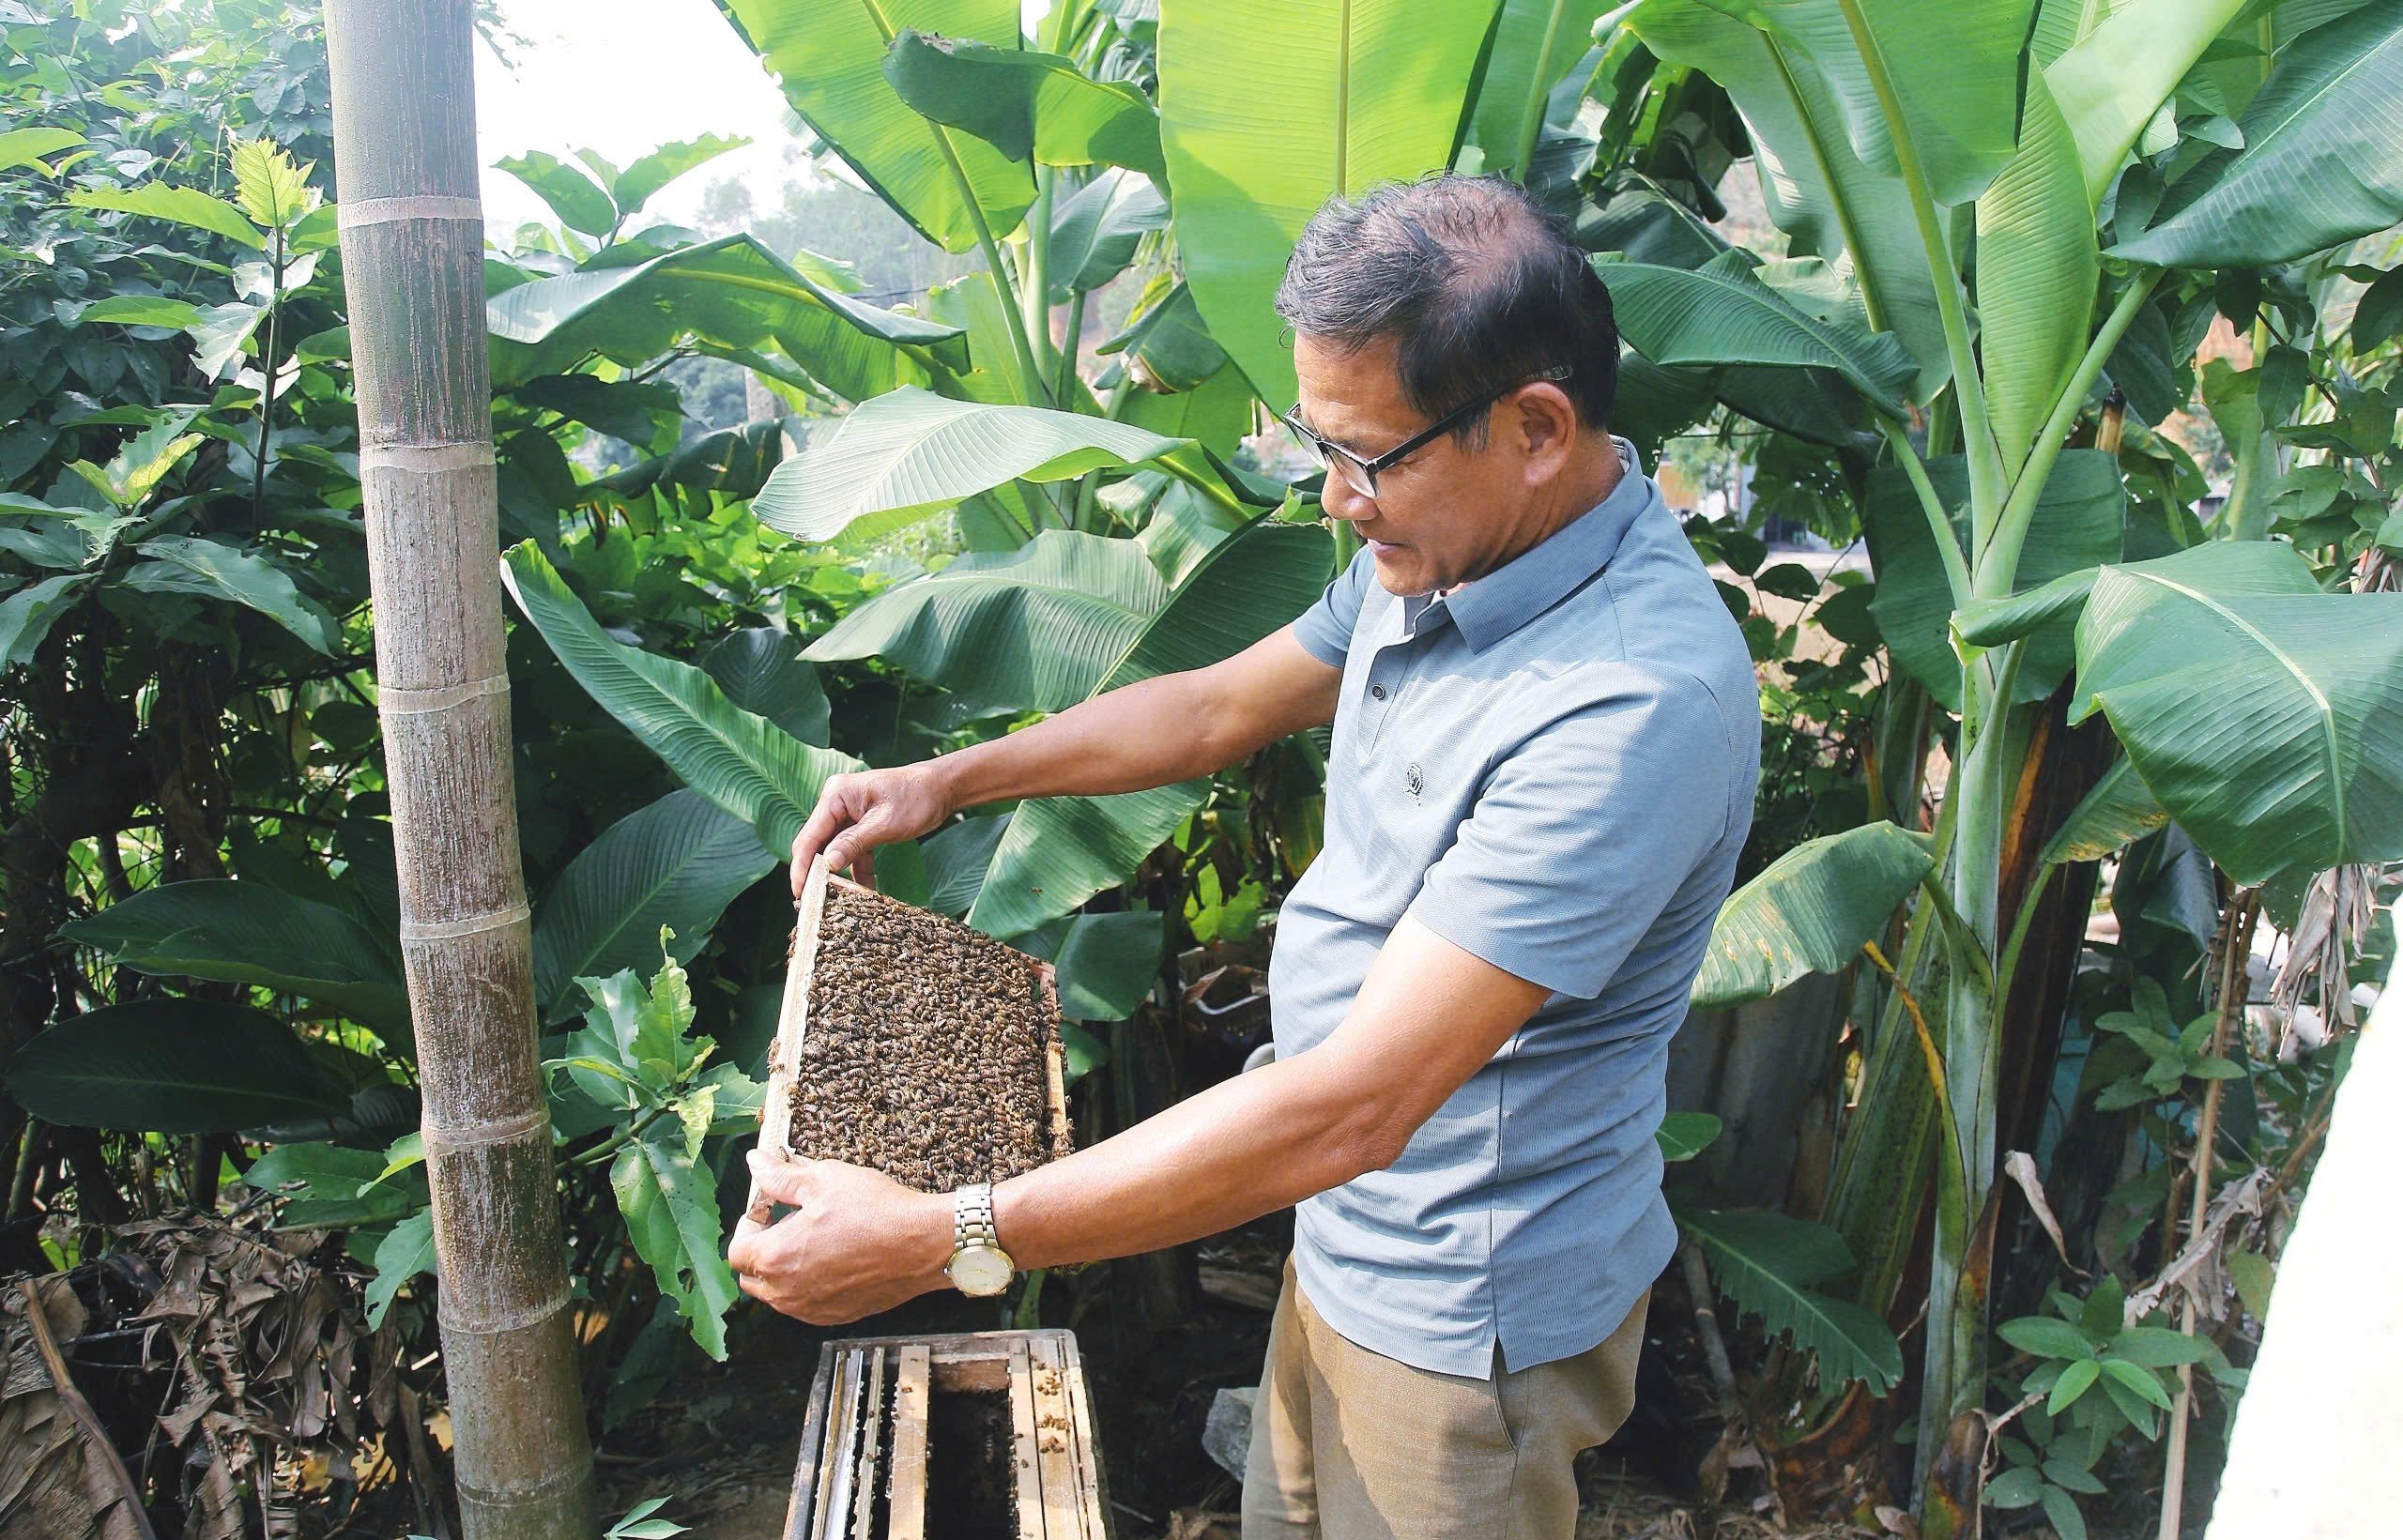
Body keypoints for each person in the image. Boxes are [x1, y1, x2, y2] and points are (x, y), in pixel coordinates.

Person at [728, 173, 1760, 1540]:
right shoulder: (1439, 548)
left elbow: (1357, 1105)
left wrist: (945, 1234)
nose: (1337, 499)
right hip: (1335, 1232)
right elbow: (1217, 704)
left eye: (1368, 456)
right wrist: (946, 781)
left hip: (1465, 1322)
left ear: (1536, 428)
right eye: (1318, 446)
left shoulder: (1630, 706)